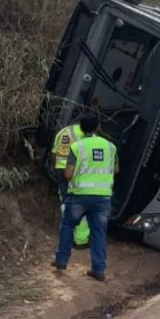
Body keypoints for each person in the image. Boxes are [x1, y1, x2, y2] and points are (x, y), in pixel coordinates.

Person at [53, 113, 118, 282]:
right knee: (98, 233)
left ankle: (61, 261)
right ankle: (98, 269)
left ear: (81, 129)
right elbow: (116, 169)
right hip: (103, 198)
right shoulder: (111, 147)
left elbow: (68, 174)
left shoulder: (77, 147)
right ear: (98, 127)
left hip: (79, 196)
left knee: (67, 225)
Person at [51, 123, 90, 248]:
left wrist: (58, 169)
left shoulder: (62, 132)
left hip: (61, 171)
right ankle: (81, 239)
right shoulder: (85, 133)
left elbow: (54, 154)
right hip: (74, 172)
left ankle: (68, 236)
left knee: (65, 202)